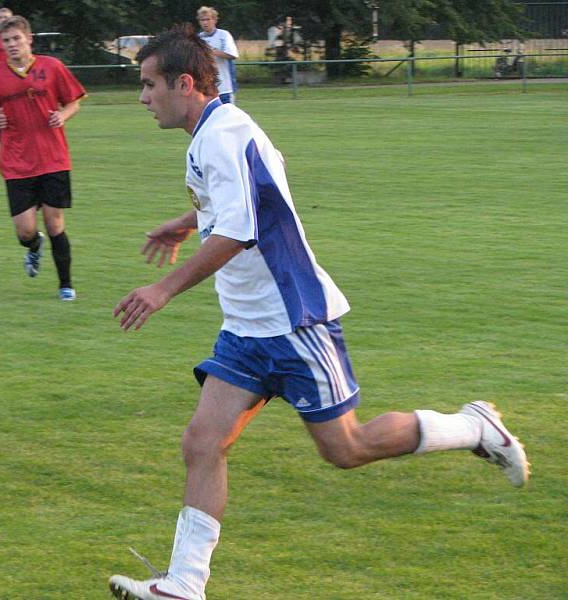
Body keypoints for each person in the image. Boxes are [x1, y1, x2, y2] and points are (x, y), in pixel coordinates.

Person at [108, 25, 529, 600]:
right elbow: (258, 191)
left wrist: (163, 289)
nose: (143, 97)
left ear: (184, 84)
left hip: (293, 321)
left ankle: (475, 426)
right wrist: (183, 222)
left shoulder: (222, 135)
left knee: (346, 449)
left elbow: (239, 228)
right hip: (246, 330)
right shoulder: (214, 132)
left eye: (150, 84)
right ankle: (184, 584)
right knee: (202, 443)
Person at [0, 15, 86, 301]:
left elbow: (74, 101)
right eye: (6, 41)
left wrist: (62, 115)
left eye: (16, 38)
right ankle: (33, 246)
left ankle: (66, 286)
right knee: (26, 230)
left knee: (55, 224)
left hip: (53, 158)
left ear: (29, 39)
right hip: (16, 161)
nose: (12, 44)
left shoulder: (52, 67)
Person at [196, 6, 238, 104]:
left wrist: (211, 51)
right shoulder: (198, 38)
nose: (205, 22)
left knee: (228, 118)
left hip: (225, 88)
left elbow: (232, 55)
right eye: (202, 20)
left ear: (214, 20)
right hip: (206, 89)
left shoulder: (224, 35)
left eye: (208, 19)